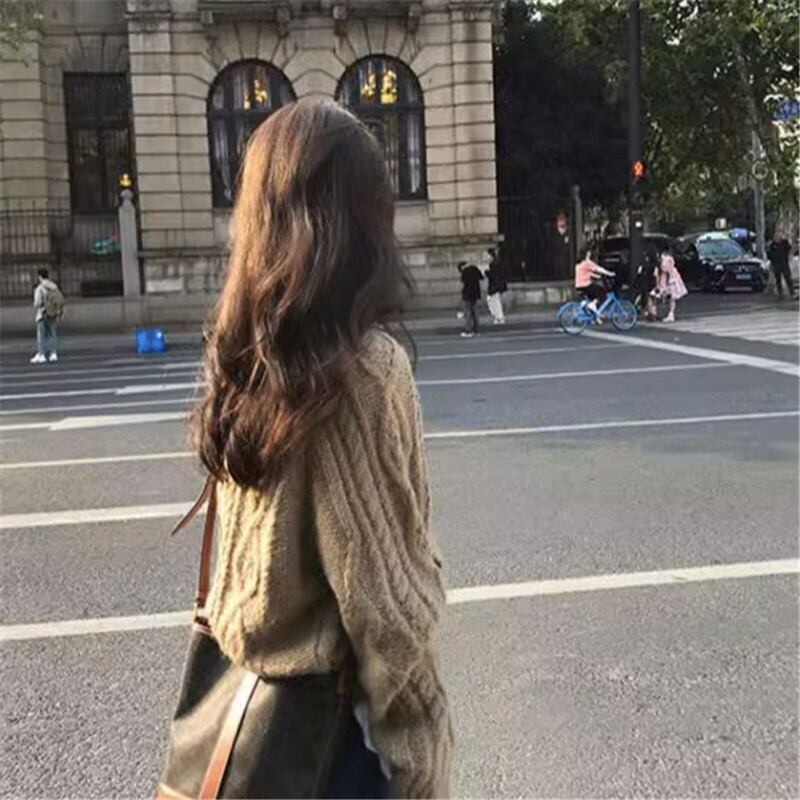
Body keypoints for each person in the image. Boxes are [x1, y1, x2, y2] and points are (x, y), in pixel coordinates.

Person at [190, 100, 451, 798]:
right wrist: (423, 767)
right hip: (327, 752)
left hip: (245, 733)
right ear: (364, 221)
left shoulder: (243, 356)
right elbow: (386, 610)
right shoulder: (362, 370)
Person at [31, 269, 64, 364]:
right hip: (52, 313)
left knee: (41, 335)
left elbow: (37, 303)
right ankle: (53, 353)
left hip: (42, 313)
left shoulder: (40, 288)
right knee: (52, 333)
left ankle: (42, 354)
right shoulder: (54, 286)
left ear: (40, 277)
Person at [647, 251, 688, 322]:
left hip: (667, 281)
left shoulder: (662, 261)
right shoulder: (668, 258)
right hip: (671, 280)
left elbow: (661, 272)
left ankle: (654, 313)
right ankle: (667, 314)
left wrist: (658, 285)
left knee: (655, 296)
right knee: (671, 298)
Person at [574, 248, 614, 314]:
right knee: (602, 292)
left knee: (593, 297)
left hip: (578, 286)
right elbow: (598, 269)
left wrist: (596, 276)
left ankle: (592, 311)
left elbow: (587, 273)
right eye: (588, 253)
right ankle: (592, 305)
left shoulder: (578, 264)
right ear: (586, 254)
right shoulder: (587, 262)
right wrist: (609, 273)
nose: (590, 255)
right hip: (586, 285)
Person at [767, 229, 797, 300]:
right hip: (776, 265)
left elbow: (790, 249)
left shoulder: (785, 243)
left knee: (788, 279)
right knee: (778, 280)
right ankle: (780, 294)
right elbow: (769, 254)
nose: (778, 236)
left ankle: (792, 293)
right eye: (777, 235)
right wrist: (772, 261)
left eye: (780, 235)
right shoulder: (772, 245)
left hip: (784, 264)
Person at [459, 260, 483, 337]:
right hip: (475, 294)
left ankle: (468, 331)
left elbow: (463, 281)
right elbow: (481, 277)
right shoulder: (475, 269)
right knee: (475, 312)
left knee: (468, 312)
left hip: (468, 294)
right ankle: (476, 330)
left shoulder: (465, 272)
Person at [484, 247, 507, 324]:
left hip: (495, 285)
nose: (487, 257)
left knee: (494, 301)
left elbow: (494, 275)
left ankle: (499, 317)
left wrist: (487, 272)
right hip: (496, 285)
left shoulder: (494, 264)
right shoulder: (496, 263)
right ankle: (498, 316)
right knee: (493, 300)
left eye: (487, 255)